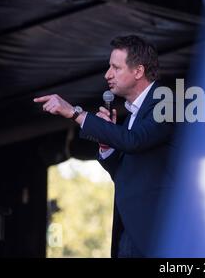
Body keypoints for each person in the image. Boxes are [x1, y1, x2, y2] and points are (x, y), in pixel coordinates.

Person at [34, 35, 175, 257]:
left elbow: (134, 141)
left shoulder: (166, 103)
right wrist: (107, 145)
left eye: (115, 68)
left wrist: (76, 113)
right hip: (130, 229)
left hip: (156, 232)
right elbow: (124, 173)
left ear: (138, 71)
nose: (107, 74)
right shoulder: (133, 115)